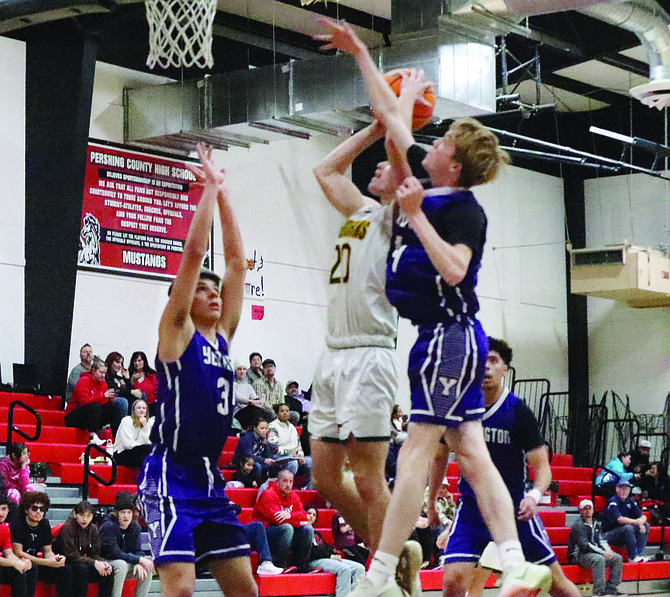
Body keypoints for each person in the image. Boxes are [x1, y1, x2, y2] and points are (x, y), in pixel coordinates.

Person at [313, 19, 551, 597]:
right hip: (436, 337)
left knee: (418, 448)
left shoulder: (461, 207)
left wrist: (415, 215)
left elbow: (457, 271)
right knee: (468, 449)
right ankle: (516, 564)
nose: (433, 142)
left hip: (450, 334)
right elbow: (392, 122)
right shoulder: (423, 182)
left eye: (442, 143)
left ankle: (378, 575)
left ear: (454, 165)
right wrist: (364, 54)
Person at [308, 23, 432, 597]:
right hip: (332, 354)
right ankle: (394, 551)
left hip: (370, 356)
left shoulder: (398, 216)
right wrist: (372, 126)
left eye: (385, 161)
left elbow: (400, 155)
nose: (379, 166)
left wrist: (397, 116)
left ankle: (382, 584)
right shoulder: (359, 207)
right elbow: (325, 170)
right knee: (324, 475)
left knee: (367, 471)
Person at [135, 144, 256, 597]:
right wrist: (206, 190)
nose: (213, 292)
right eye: (202, 289)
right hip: (170, 471)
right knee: (181, 590)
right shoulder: (177, 331)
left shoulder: (223, 333)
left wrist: (224, 193)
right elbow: (191, 256)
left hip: (208, 474)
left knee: (245, 588)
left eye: (214, 288)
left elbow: (237, 266)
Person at [437, 338, 579, 597]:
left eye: (493, 361)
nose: (486, 368)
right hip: (471, 509)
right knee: (453, 583)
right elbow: (438, 457)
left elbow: (543, 469)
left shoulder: (518, 412)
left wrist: (534, 496)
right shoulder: (457, 411)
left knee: (559, 586)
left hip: (513, 510)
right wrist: (434, 504)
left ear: (505, 369)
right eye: (481, 362)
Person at [251, 470, 316, 573]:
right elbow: (277, 520)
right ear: (277, 482)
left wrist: (290, 515)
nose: (288, 485)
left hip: (285, 534)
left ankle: (301, 565)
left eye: (291, 481)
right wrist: (298, 522)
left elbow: (304, 515)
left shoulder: (293, 496)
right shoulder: (268, 494)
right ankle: (279, 564)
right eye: (285, 481)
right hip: (265, 535)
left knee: (308, 529)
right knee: (287, 528)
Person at [10, 492, 70, 597]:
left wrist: (55, 559)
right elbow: (18, 553)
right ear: (26, 509)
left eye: (42, 509)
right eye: (34, 508)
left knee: (66, 568)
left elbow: (48, 551)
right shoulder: (17, 524)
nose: (38, 512)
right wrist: (46, 562)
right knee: (32, 568)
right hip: (19, 563)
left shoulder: (44, 524)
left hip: (37, 563)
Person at [52, 501, 114, 597]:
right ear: (75, 515)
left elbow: (95, 553)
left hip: (81, 561)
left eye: (89, 516)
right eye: (82, 515)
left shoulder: (93, 529)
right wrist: (94, 563)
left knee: (108, 570)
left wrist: (101, 562)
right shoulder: (67, 528)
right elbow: (70, 555)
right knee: (82, 568)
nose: (85, 519)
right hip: (65, 561)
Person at [99, 492, 154, 597]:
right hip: (106, 561)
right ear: (117, 513)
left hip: (125, 560)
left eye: (129, 512)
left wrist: (139, 561)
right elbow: (114, 553)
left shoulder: (135, 527)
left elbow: (138, 550)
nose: (126, 516)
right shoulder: (108, 526)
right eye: (123, 512)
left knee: (147, 567)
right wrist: (138, 559)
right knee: (122, 565)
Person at [64, 356, 128, 443]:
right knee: (95, 406)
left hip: (93, 414)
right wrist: (102, 397)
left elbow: (103, 403)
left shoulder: (103, 383)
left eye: (105, 373)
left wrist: (110, 400)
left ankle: (117, 438)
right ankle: (92, 436)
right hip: (74, 415)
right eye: (101, 372)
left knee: (115, 408)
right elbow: (84, 402)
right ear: (93, 371)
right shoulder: (83, 381)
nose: (103, 375)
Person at [568, 499, 624, 597]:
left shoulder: (596, 524)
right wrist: (603, 553)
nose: (588, 510)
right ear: (580, 511)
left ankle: (611, 589)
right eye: (585, 509)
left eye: (590, 508)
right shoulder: (578, 526)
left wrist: (608, 550)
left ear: (593, 510)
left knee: (617, 558)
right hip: (578, 555)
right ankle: (598, 592)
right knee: (599, 559)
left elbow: (602, 540)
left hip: (593, 553)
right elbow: (585, 545)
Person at [305, 506, 365, 597]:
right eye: (309, 513)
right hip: (313, 560)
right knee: (344, 569)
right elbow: (311, 551)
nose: (312, 516)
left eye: (314, 515)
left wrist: (334, 553)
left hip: (326, 558)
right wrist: (330, 556)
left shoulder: (317, 533)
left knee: (360, 568)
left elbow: (325, 547)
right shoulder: (301, 532)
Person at [600, 480, 649, 562]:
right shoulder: (613, 502)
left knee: (646, 525)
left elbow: (643, 516)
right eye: (622, 488)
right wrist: (638, 522)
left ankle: (639, 554)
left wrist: (641, 522)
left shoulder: (630, 501)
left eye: (626, 489)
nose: (624, 491)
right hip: (609, 533)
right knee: (628, 528)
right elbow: (620, 520)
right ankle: (632, 556)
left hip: (623, 532)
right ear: (617, 489)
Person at [268, 404, 312, 488]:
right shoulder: (272, 426)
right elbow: (274, 448)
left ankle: (307, 488)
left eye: (287, 411)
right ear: (277, 414)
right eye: (282, 411)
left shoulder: (292, 427)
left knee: (311, 461)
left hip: (292, 457)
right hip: (276, 459)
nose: (285, 413)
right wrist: (294, 456)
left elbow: (298, 445)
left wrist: (300, 456)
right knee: (293, 463)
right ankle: (285, 487)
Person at [0, 493, 32, 596]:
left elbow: (9, 553)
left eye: (4, 509)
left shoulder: (4, 528)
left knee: (26, 570)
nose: (1, 513)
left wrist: (21, 562)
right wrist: (15, 563)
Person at [112, 399, 154, 469]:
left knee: (149, 450)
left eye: (144, 408)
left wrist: (145, 427)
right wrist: (140, 444)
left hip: (138, 451)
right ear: (134, 410)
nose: (141, 410)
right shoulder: (127, 420)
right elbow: (128, 445)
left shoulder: (149, 422)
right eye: (139, 408)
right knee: (146, 450)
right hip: (121, 454)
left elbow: (147, 442)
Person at [128, 352, 157, 418]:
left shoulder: (151, 375)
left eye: (139, 361)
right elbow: (128, 390)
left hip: (151, 405)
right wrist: (131, 381)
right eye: (135, 361)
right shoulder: (129, 374)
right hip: (136, 406)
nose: (137, 363)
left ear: (144, 361)